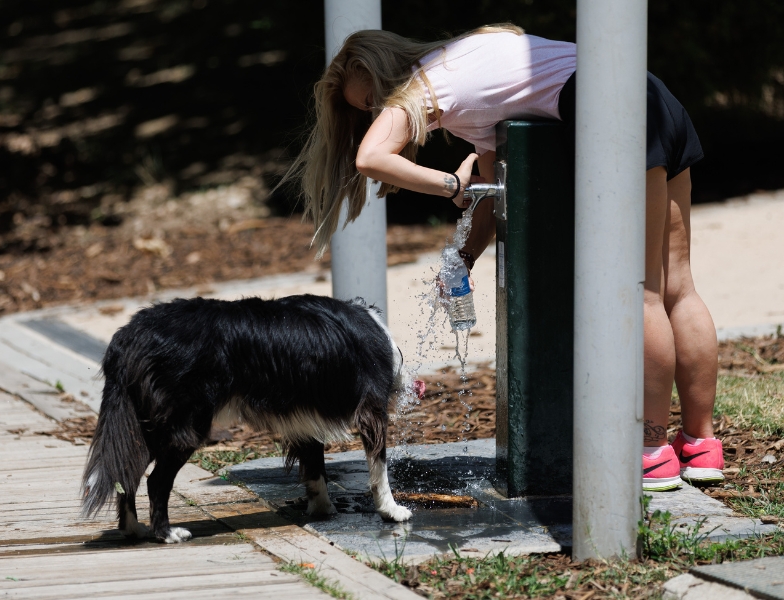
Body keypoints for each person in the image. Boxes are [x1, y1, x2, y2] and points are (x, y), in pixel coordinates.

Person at [282, 24, 724, 491]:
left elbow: (370, 157)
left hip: (615, 109)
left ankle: (652, 453)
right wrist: (464, 259)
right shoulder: (470, 81)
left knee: (644, 293)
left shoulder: (431, 83)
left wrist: (450, 185)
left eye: (371, 101)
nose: (376, 113)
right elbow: (495, 199)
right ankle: (701, 445)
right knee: (677, 287)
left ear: (384, 75)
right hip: (649, 92)